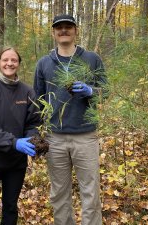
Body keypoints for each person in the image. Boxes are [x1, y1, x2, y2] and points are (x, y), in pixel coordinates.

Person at [34, 14, 107, 225]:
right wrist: (35, 132)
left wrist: (91, 90)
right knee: (59, 194)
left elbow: (108, 91)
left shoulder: (92, 59)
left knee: (90, 193)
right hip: (54, 138)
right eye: (59, 28)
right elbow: (38, 101)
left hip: (86, 136)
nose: (63, 30)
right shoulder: (44, 63)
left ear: (76, 31)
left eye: (68, 27)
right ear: (54, 33)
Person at [0, 47, 41, 225]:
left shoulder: (27, 92)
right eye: (5, 60)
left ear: (18, 64)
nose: (9, 63)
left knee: (10, 207)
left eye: (13, 60)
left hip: (15, 164)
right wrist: (14, 142)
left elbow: (33, 122)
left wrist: (33, 139)